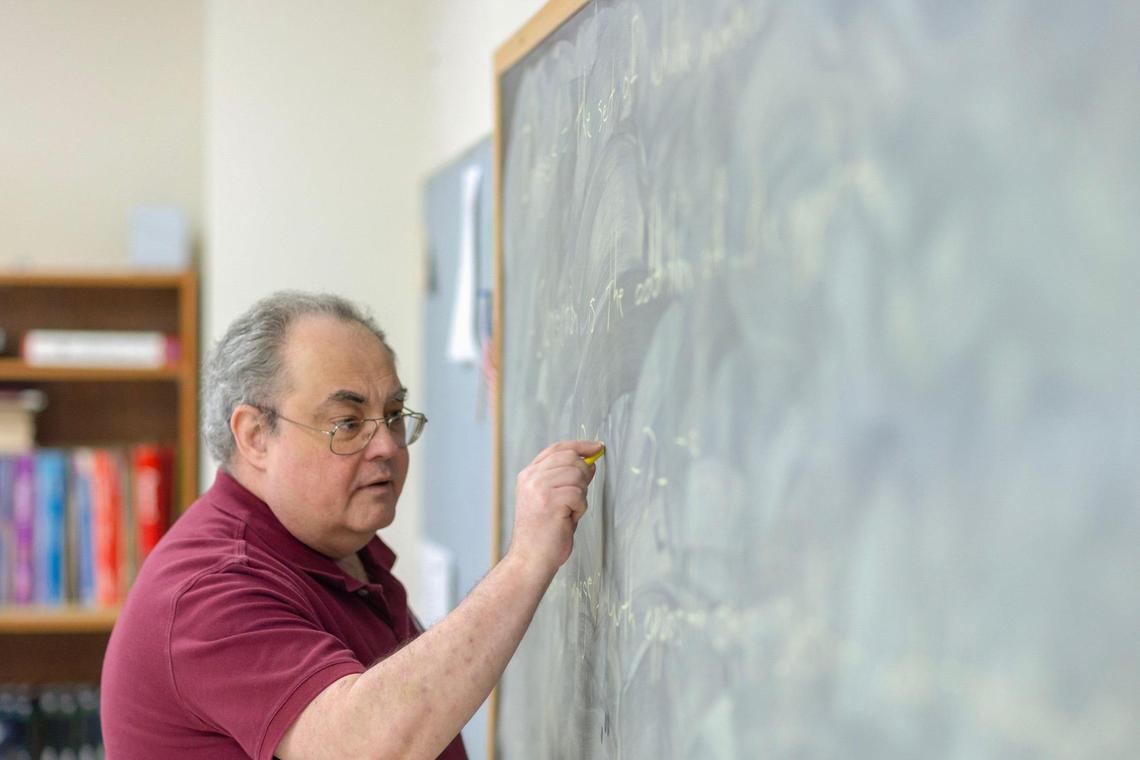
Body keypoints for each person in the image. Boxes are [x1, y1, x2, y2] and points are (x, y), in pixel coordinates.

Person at [100, 291, 601, 759]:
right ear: (255, 436)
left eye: (394, 414)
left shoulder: (338, 547)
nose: (386, 446)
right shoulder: (207, 590)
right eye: (347, 423)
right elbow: (363, 747)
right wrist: (527, 557)